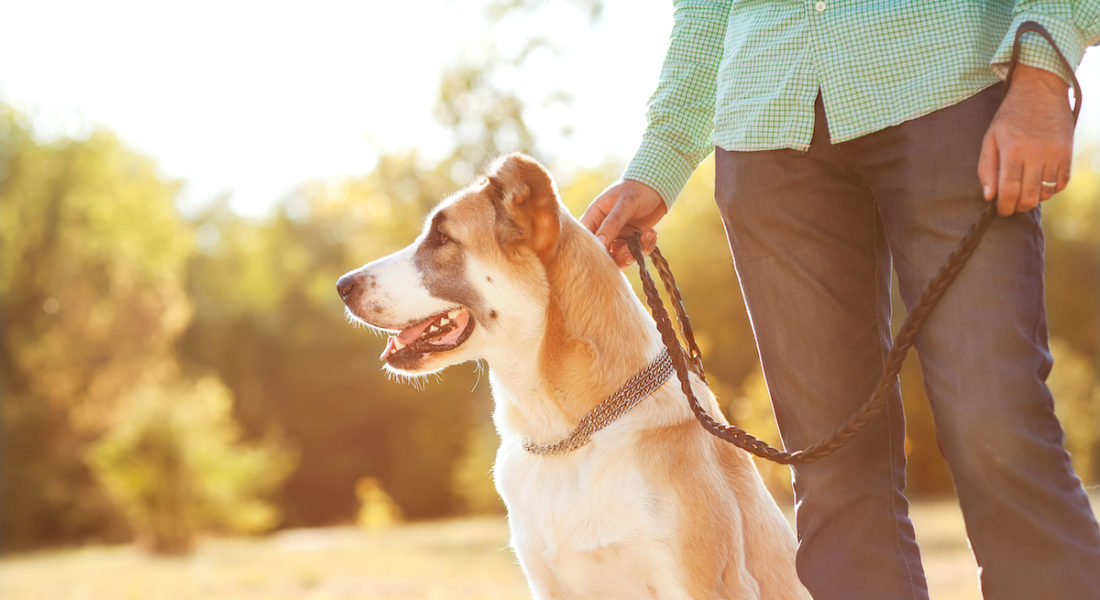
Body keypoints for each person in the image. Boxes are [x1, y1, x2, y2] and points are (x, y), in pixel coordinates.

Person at [580, 3, 1100, 599]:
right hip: (766, 128)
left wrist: (1042, 68)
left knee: (998, 430)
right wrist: (662, 158)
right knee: (832, 474)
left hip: (946, 84)